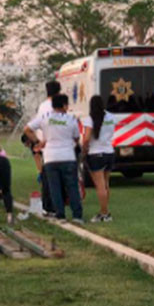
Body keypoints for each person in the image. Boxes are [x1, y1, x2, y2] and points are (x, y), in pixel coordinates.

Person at [24, 94, 83, 223]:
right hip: (67, 156)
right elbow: (77, 137)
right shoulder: (71, 119)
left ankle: (60, 215)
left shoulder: (45, 117)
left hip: (51, 157)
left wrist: (38, 141)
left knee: (54, 187)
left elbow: (27, 129)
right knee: (72, 187)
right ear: (64, 106)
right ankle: (77, 215)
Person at [81, 95, 116, 223]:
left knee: (99, 186)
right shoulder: (111, 117)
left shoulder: (89, 119)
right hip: (109, 151)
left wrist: (84, 151)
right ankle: (106, 211)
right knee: (106, 184)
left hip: (96, 153)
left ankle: (104, 213)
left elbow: (86, 138)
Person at [33, 81, 61, 215]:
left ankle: (47, 206)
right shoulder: (59, 106)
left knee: (47, 178)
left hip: (45, 145)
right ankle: (56, 206)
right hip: (58, 145)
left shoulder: (42, 106)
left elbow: (39, 125)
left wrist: (39, 142)